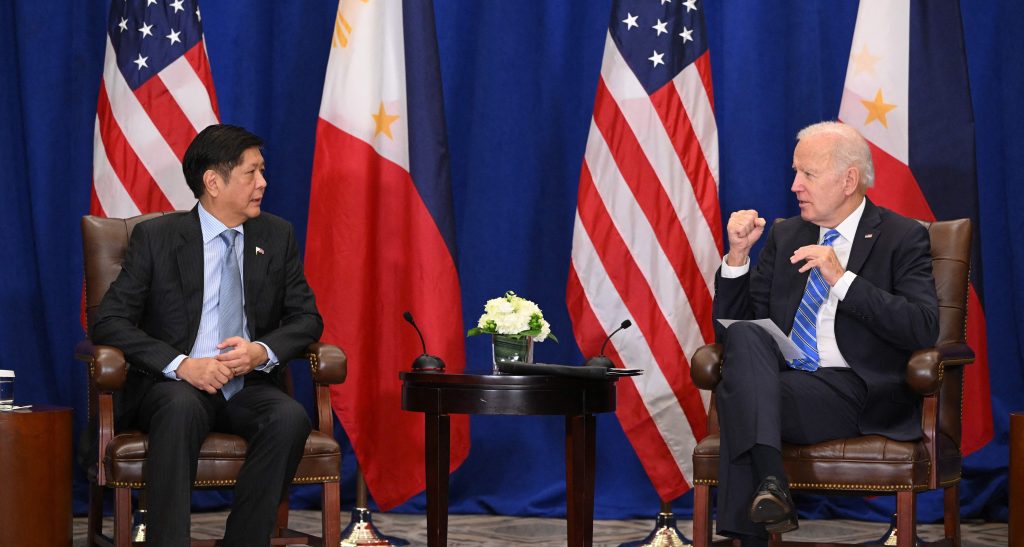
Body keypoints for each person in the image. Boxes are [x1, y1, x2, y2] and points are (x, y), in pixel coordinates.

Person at [92, 124, 323, 546]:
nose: (263, 183)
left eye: (262, 171)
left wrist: (261, 351)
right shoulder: (157, 239)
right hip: (175, 385)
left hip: (248, 384)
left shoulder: (276, 235)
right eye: (252, 173)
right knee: (179, 409)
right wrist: (183, 365)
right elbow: (108, 321)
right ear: (213, 182)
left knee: (289, 418)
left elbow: (306, 318)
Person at [712, 121, 939, 545]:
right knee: (745, 345)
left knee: (739, 395)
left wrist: (842, 279)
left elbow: (922, 326)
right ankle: (773, 485)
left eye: (808, 174)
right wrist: (738, 258)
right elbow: (737, 332)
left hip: (855, 390)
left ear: (848, 179)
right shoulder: (786, 234)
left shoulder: (901, 236)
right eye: (795, 172)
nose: (795, 185)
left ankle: (753, 534)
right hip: (785, 381)